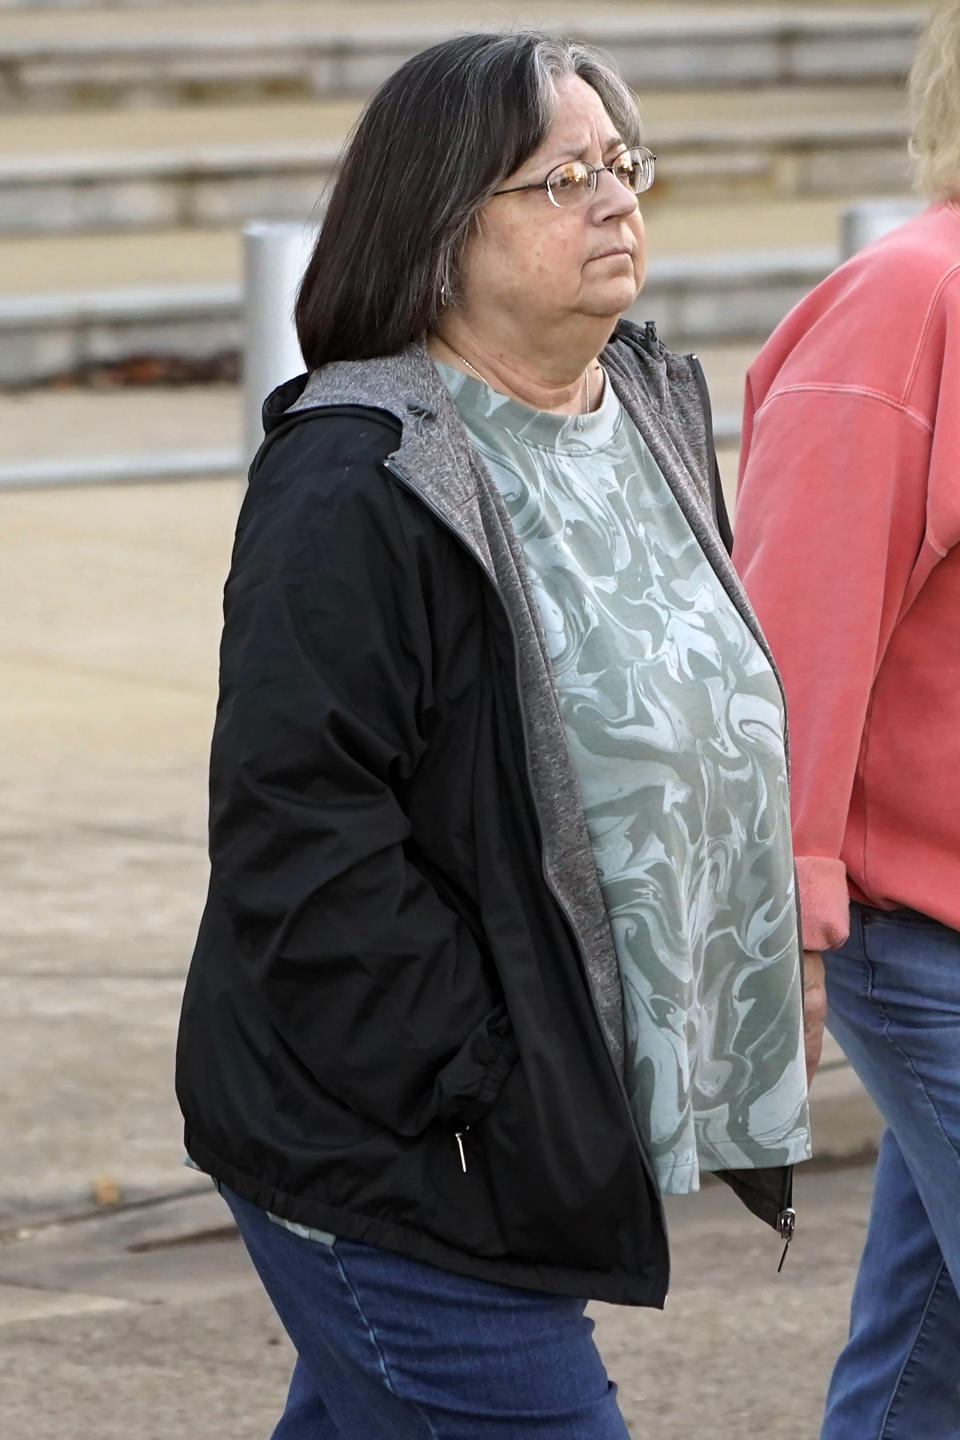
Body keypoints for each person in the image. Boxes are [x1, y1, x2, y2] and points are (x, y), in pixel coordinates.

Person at [177, 31, 810, 1439]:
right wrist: (484, 1081)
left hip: (511, 1115)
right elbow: (301, 836)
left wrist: (758, 943)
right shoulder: (355, 479)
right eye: (561, 178)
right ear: (439, 228)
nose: (615, 201)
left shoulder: (645, 404)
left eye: (621, 164)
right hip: (404, 1143)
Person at [732, 4, 960, 1436]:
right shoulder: (910, 300)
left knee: (923, 1366)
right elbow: (790, 647)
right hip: (923, 939)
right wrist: (781, 921)